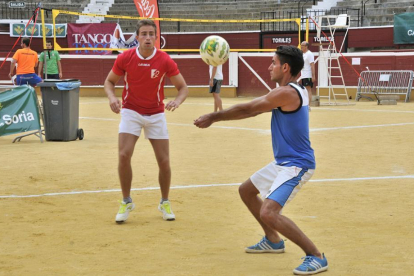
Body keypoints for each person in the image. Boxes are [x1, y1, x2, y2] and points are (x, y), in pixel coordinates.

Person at [194, 45, 328, 275]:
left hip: (297, 165)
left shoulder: (287, 92)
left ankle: (315, 255)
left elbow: (250, 109)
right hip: (283, 162)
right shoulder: (292, 90)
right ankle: (273, 240)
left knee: (269, 212)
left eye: (273, 62)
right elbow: (255, 107)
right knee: (246, 191)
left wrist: (214, 116)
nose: (269, 67)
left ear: (285, 67)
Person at [104, 19, 189, 223]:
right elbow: (109, 82)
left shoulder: (165, 60)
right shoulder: (125, 58)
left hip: (156, 114)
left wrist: (177, 101)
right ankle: (126, 201)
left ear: (156, 37)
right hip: (131, 112)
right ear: (137, 37)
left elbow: (183, 88)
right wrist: (112, 97)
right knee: (124, 155)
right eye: (144, 34)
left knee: (164, 162)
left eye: (152, 34)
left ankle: (165, 201)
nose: (148, 37)